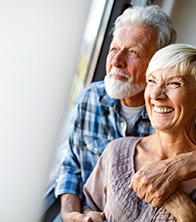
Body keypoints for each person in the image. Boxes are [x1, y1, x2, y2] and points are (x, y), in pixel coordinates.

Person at [55, 5, 177, 222]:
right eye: (114, 49)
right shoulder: (90, 98)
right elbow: (71, 165)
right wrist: (70, 214)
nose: (116, 61)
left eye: (133, 52)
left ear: (158, 64)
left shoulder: (173, 115)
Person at [83, 43, 196, 221]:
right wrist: (90, 217)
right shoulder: (116, 151)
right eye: (151, 81)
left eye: (174, 83)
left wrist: (188, 214)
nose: (156, 95)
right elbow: (90, 207)